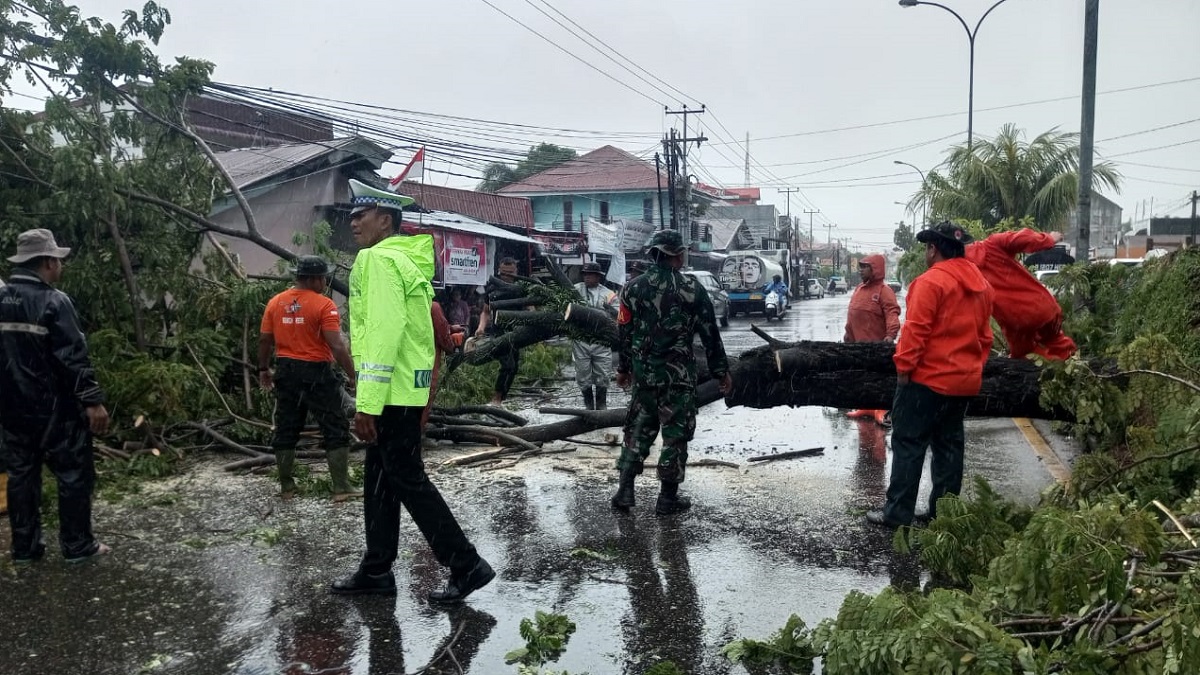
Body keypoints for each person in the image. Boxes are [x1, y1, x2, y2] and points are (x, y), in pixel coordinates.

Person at [331, 179, 494, 603]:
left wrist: (366, 403)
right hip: (406, 389)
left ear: (385, 220)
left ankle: (465, 563)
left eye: (360, 216)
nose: (352, 223)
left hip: (389, 394)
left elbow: (383, 335)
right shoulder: (406, 263)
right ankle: (377, 569)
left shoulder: (377, 262)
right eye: (351, 216)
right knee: (381, 478)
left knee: (406, 479)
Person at [867, 222, 994, 528]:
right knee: (949, 447)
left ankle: (897, 513)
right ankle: (944, 515)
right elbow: (985, 338)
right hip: (963, 383)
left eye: (927, 248)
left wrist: (904, 370)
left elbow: (916, 333)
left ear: (933, 249)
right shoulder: (982, 285)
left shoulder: (930, 282)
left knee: (909, 444)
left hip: (927, 381)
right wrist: (971, 369)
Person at [0, 229, 111, 563]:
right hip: (55, 410)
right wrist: (92, 401)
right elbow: (72, 357)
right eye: (58, 261)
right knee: (73, 474)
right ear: (48, 262)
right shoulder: (54, 301)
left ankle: (25, 549)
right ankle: (78, 546)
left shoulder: (0, 300)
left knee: (21, 477)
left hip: (11, 409)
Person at [612, 230, 733, 515]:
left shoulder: (632, 288)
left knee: (638, 430)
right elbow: (710, 334)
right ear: (678, 255)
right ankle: (667, 498)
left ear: (654, 254)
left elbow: (624, 333)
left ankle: (625, 490)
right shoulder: (692, 288)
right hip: (678, 377)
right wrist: (721, 372)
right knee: (675, 435)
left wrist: (624, 368)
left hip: (644, 376)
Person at [258, 255, 360, 502]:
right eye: (323, 277)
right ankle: (341, 488)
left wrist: (262, 368)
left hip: (285, 372)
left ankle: (287, 488)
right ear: (314, 278)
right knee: (335, 427)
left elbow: (264, 340)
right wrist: (351, 374)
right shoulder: (324, 305)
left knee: (286, 428)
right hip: (317, 372)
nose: (325, 282)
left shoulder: (275, 303)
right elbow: (336, 345)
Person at [966, 228, 1076, 360]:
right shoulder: (992, 244)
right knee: (1058, 343)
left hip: (1016, 323)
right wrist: (1049, 238)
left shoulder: (961, 267)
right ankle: (1075, 369)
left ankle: (1054, 369)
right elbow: (1022, 238)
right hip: (1042, 308)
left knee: (1025, 358)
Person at [844, 253, 902, 425]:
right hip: (858, 346)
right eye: (860, 266)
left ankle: (880, 408)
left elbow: (893, 314)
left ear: (875, 269)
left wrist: (890, 335)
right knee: (862, 377)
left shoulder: (885, 292)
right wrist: (848, 337)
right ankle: (866, 406)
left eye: (865, 267)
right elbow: (852, 315)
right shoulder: (859, 289)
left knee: (877, 379)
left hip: (876, 348)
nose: (860, 270)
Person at [474, 258, 522, 405]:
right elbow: (486, 312)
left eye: (510, 273)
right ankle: (496, 397)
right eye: (504, 273)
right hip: (499, 332)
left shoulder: (521, 289)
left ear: (516, 272)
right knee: (508, 365)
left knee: (514, 367)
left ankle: (503, 399)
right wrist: (481, 327)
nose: (507, 276)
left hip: (517, 332)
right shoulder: (492, 289)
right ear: (499, 271)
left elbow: (530, 308)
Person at [572, 262, 618, 410]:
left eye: (590, 274)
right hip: (581, 339)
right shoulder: (575, 290)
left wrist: (606, 313)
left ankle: (601, 404)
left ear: (598, 276)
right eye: (585, 274)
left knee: (603, 373)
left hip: (601, 340)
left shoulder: (609, 294)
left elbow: (616, 314)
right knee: (582, 372)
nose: (587, 277)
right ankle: (588, 405)